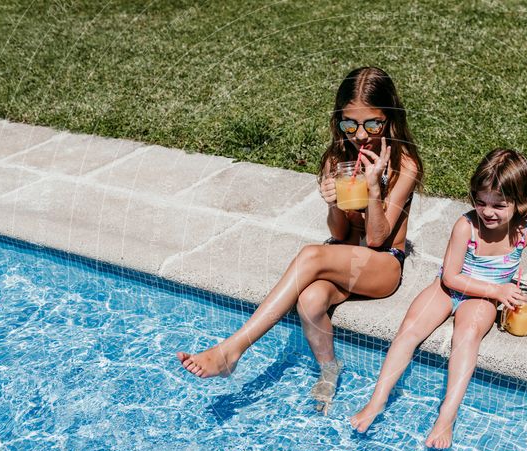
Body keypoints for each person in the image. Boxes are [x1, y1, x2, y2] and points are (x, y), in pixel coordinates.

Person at [177, 66, 423, 414]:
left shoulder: (404, 165)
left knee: (311, 255)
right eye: (349, 125)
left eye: (372, 124)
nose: (361, 135)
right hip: (344, 257)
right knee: (309, 300)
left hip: (381, 265)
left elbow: (377, 238)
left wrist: (372, 187)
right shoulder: (339, 159)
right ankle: (328, 370)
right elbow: (339, 234)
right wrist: (333, 203)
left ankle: (233, 350)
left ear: (390, 119)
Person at [350, 149, 527, 448]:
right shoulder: (466, 227)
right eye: (481, 202)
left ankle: (446, 417)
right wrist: (498, 291)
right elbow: (450, 277)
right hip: (450, 289)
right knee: (409, 330)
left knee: (466, 336)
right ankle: (377, 400)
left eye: (499, 205)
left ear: (521, 203)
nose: (488, 211)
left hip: (480, 298)